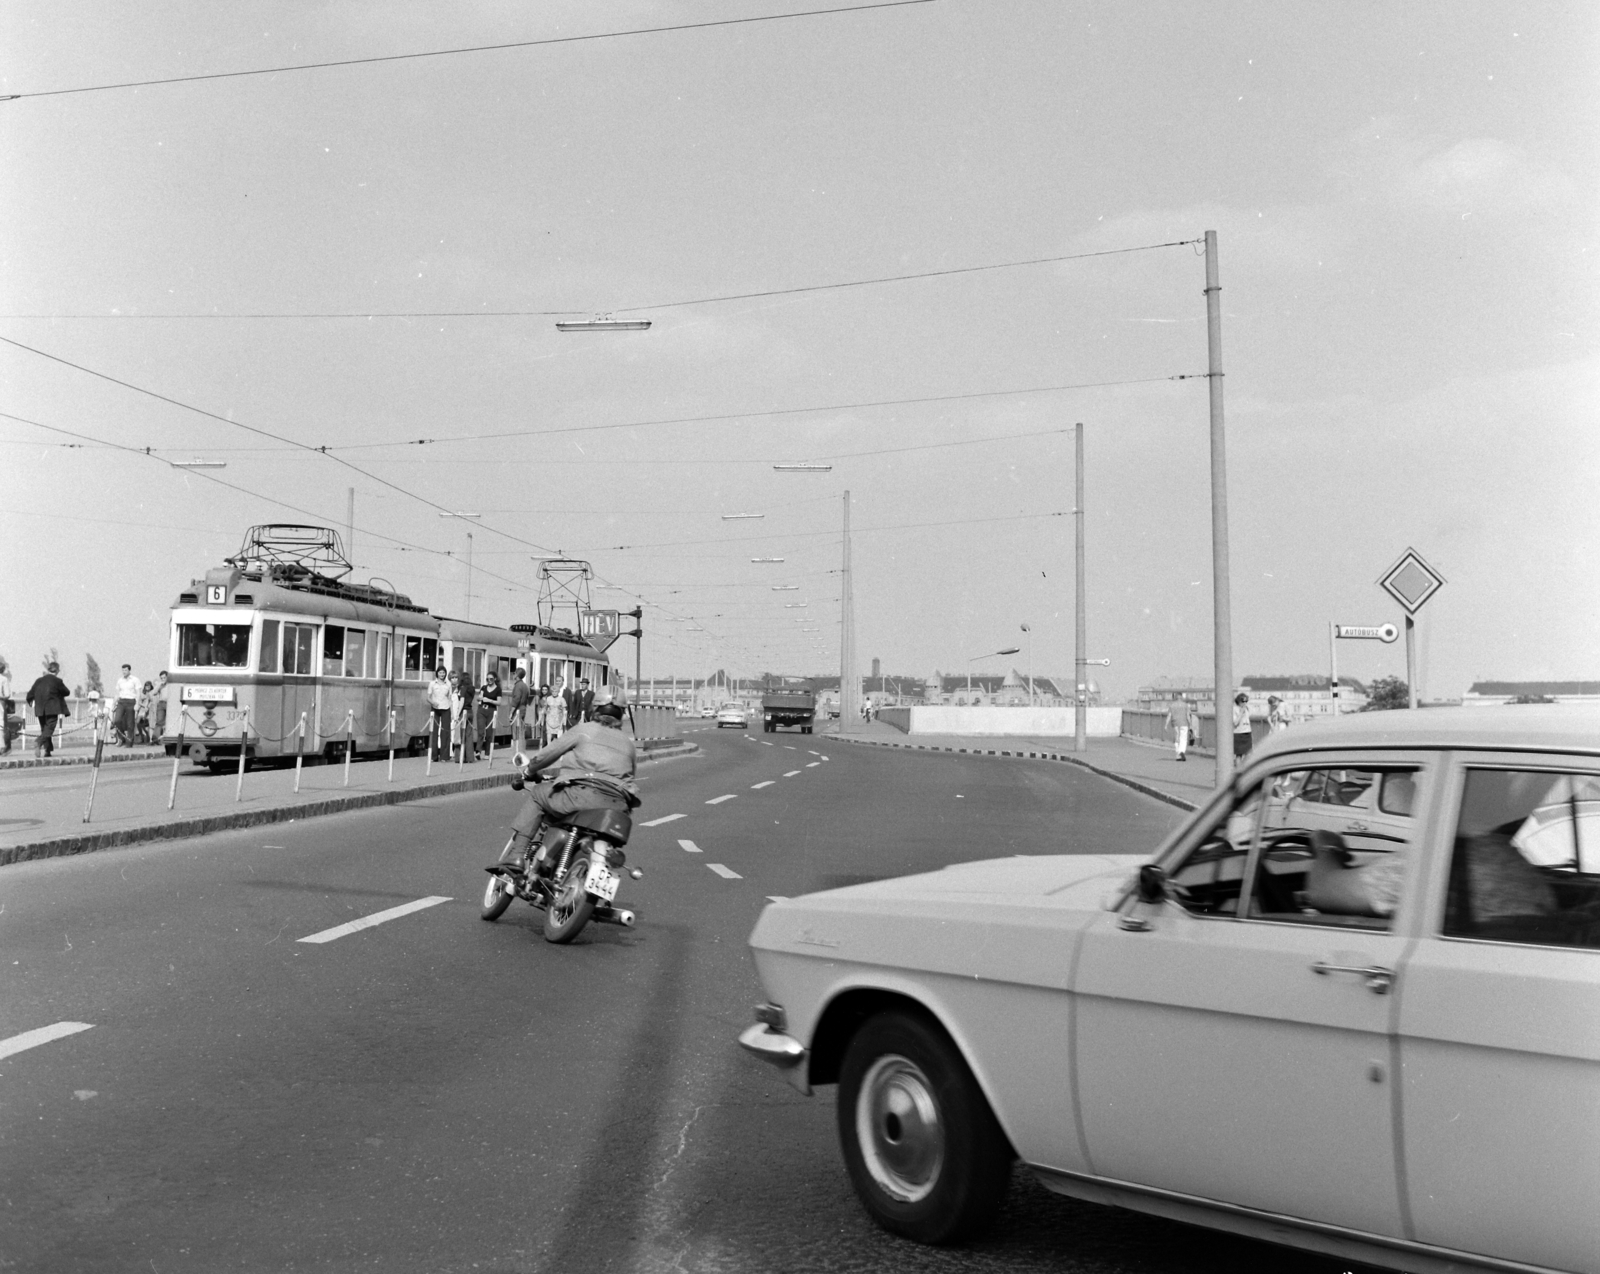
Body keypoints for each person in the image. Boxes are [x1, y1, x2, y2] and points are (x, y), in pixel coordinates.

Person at [497, 701, 639, 878]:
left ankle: (517, 856)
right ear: (621, 714)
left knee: (538, 793)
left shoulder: (585, 730)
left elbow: (548, 754)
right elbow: (630, 779)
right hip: (616, 808)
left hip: (581, 795)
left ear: (594, 709)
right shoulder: (628, 743)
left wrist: (530, 770)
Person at [26, 661, 71, 758]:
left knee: (45, 729)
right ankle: (38, 742)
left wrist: (31, 702)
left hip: (40, 709)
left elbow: (30, 694)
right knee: (49, 728)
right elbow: (67, 692)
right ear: (57, 670)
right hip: (52, 708)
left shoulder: (39, 680)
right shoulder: (57, 681)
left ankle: (48, 750)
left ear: (48, 669)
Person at [426, 667, 453, 761]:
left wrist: (452, 712)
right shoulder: (432, 684)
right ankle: (433, 756)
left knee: (445, 732)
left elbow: (450, 699)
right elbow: (428, 697)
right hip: (435, 709)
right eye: (440, 673)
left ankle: (444, 756)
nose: (442, 674)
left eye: (443, 673)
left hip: (445, 708)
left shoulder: (448, 685)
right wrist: (433, 702)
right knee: (433, 732)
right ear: (437, 673)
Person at [114, 662, 140, 747]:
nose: (124, 671)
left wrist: (137, 704)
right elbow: (117, 693)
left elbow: (138, 693)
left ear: (129, 670)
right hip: (121, 701)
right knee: (117, 720)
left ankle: (129, 741)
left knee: (130, 723)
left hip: (131, 701)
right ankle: (121, 738)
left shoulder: (135, 680)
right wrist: (114, 703)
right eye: (123, 670)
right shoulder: (120, 680)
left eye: (125, 670)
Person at [453, 672, 477, 761]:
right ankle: (470, 757)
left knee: (460, 735)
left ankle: (460, 758)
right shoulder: (472, 689)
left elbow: (462, 702)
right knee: (469, 735)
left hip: (463, 712)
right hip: (470, 712)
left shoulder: (463, 688)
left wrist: (457, 714)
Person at [477, 671, 502, 751]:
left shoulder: (498, 689)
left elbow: (499, 702)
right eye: (487, 679)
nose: (489, 680)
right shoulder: (483, 688)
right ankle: (478, 750)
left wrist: (489, 700)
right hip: (482, 710)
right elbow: (479, 698)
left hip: (491, 710)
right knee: (480, 731)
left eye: (491, 679)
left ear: (495, 679)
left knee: (489, 733)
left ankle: (488, 752)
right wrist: (479, 698)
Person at [1165, 697, 1195, 762]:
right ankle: (1182, 751)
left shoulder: (1172, 705)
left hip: (1175, 723)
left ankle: (1178, 755)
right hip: (1184, 724)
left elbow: (1169, 715)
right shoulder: (1185, 705)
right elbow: (1187, 716)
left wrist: (1166, 725)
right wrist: (1190, 725)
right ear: (1181, 698)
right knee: (1183, 738)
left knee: (1176, 739)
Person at [508, 668, 531, 748]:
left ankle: (516, 752)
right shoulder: (525, 685)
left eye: (514, 673)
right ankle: (520, 750)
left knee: (516, 732)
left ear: (517, 675)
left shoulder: (518, 686)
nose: (513, 674)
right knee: (521, 731)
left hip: (517, 710)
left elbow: (516, 699)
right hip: (523, 709)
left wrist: (511, 712)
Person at [1232, 692, 1254, 762]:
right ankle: (1239, 771)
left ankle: (1245, 770)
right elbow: (1235, 723)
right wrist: (1241, 713)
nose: (1244, 703)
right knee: (1239, 754)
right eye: (1243, 701)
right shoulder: (1234, 709)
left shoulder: (1247, 709)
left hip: (1247, 732)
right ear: (1238, 701)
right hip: (1238, 733)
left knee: (1249, 754)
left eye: (1246, 701)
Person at [543, 682, 565, 747]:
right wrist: (543, 713)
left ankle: (559, 747)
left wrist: (564, 718)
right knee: (549, 733)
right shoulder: (548, 698)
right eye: (553, 691)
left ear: (558, 692)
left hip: (558, 719)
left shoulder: (561, 699)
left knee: (559, 734)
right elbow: (545, 707)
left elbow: (564, 709)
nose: (554, 693)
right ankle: (549, 746)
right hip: (549, 719)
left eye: (555, 691)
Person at [0, 657, 14, 755]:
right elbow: (7, 694)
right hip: (0, 703)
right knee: (1, 725)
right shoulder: (3, 679)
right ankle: (2, 746)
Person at [152, 670, 170, 740]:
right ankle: (155, 739)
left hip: (170, 703)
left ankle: (168, 738)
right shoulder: (160, 685)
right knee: (159, 721)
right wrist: (159, 685)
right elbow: (154, 692)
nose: (163, 679)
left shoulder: (171, 684)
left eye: (164, 677)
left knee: (169, 721)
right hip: (161, 703)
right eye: (161, 678)